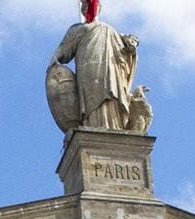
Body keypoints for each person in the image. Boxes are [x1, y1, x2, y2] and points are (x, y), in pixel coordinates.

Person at [52, 0, 140, 131]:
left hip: (110, 70)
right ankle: (92, 124)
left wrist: (130, 49)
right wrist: (54, 61)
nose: (90, 8)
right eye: (86, 6)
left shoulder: (109, 30)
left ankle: (114, 127)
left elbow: (124, 55)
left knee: (111, 94)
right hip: (88, 69)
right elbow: (64, 50)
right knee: (92, 97)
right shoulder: (78, 29)